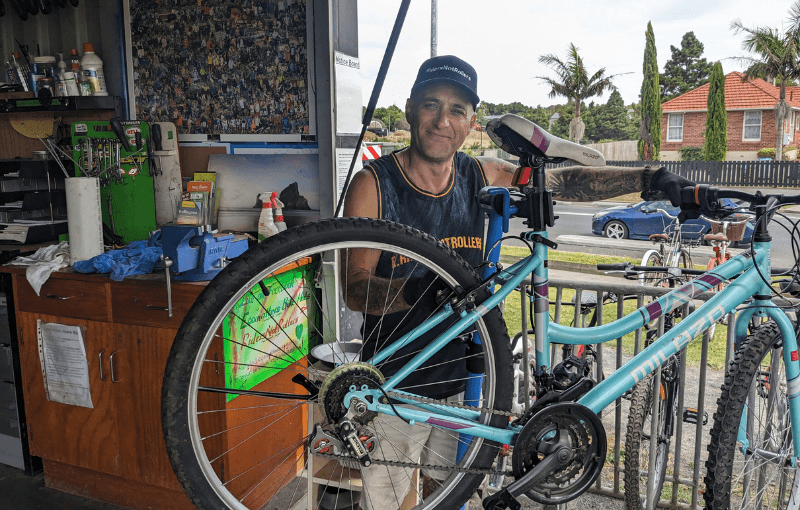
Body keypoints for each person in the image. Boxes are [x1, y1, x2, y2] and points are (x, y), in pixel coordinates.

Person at [342, 55, 689, 510]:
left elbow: (564, 183)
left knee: (448, 493)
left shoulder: (478, 175)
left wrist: (650, 177)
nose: (442, 121)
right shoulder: (374, 185)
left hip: (463, 378)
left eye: (457, 110)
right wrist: (416, 290)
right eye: (431, 105)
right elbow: (354, 289)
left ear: (470, 123)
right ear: (409, 109)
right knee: (392, 503)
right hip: (395, 382)